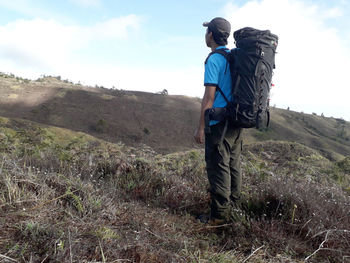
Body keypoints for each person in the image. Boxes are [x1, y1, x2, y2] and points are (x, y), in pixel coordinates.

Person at [194, 17, 243, 224]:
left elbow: (209, 97)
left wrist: (201, 128)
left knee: (218, 166)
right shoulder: (234, 57)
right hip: (237, 120)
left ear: (211, 34)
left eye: (207, 32)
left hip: (219, 122)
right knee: (233, 165)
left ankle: (219, 217)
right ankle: (235, 207)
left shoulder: (214, 59)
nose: (205, 35)